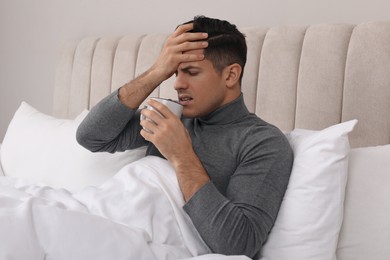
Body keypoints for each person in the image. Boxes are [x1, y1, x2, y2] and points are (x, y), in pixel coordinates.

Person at [76, 15, 293, 258]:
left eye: (191, 72)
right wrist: (157, 71)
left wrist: (181, 155)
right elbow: (90, 137)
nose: (177, 83)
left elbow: (238, 245)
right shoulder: (172, 116)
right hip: (99, 215)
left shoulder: (262, 141)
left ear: (231, 75)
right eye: (174, 72)